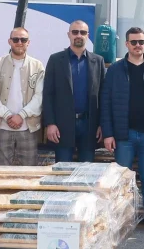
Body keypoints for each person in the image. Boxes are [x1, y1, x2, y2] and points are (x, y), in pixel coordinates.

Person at [101, 27, 144, 235]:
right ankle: (121, 220)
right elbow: (105, 103)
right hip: (124, 135)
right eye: (134, 42)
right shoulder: (115, 70)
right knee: (122, 179)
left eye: (141, 42)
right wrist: (108, 133)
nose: (138, 45)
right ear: (126, 44)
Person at [43, 20, 105, 163]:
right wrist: (50, 124)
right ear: (69, 34)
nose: (79, 35)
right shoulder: (55, 60)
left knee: (86, 171)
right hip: (62, 125)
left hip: (89, 125)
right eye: (75, 32)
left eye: (83, 32)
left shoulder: (98, 61)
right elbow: (48, 94)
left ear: (88, 35)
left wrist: (102, 124)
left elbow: (103, 96)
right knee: (62, 170)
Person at [0, 27, 44, 166]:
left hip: (28, 128)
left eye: (23, 40)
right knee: (2, 172)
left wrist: (21, 115)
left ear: (28, 42)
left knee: (28, 172)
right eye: (15, 39)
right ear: (9, 41)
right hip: (2, 126)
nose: (19, 42)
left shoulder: (37, 66)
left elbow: (40, 96)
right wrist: (7, 115)